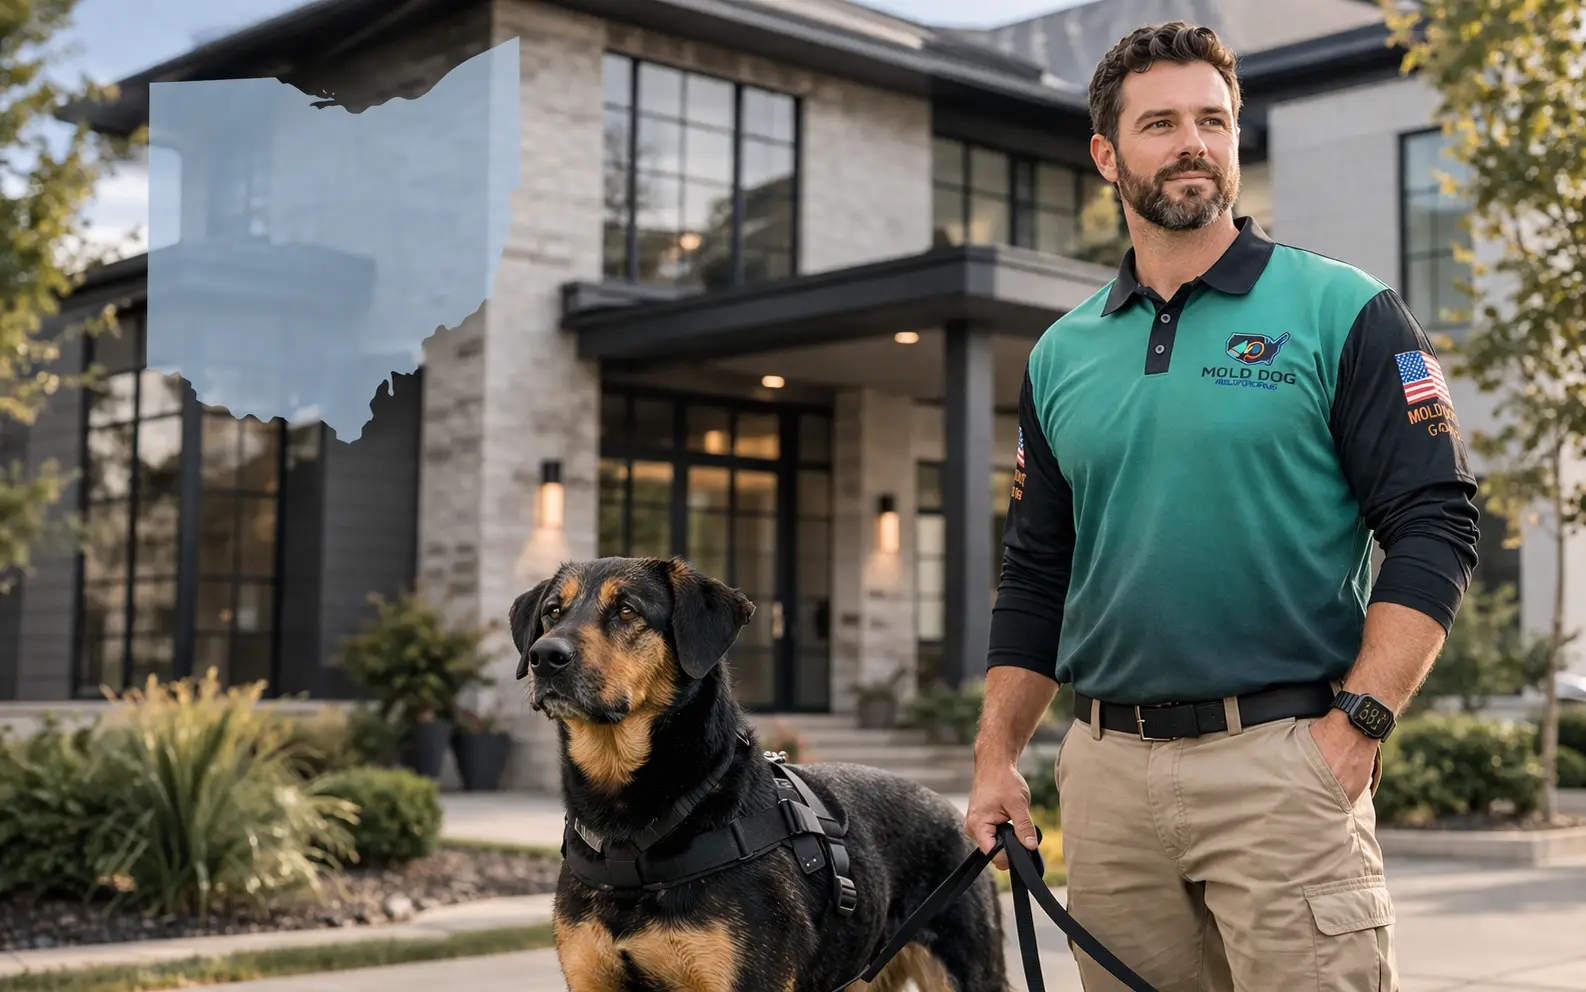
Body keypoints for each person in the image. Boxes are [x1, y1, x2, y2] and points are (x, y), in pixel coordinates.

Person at [963, 21, 1481, 992]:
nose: (1192, 142)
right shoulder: (1060, 354)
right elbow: (1035, 570)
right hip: (1108, 782)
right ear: (1107, 154)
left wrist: (1357, 723)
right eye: (1159, 122)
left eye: (1212, 119)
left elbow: (1433, 519)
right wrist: (997, 759)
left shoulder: (1342, 309)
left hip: (1282, 764)